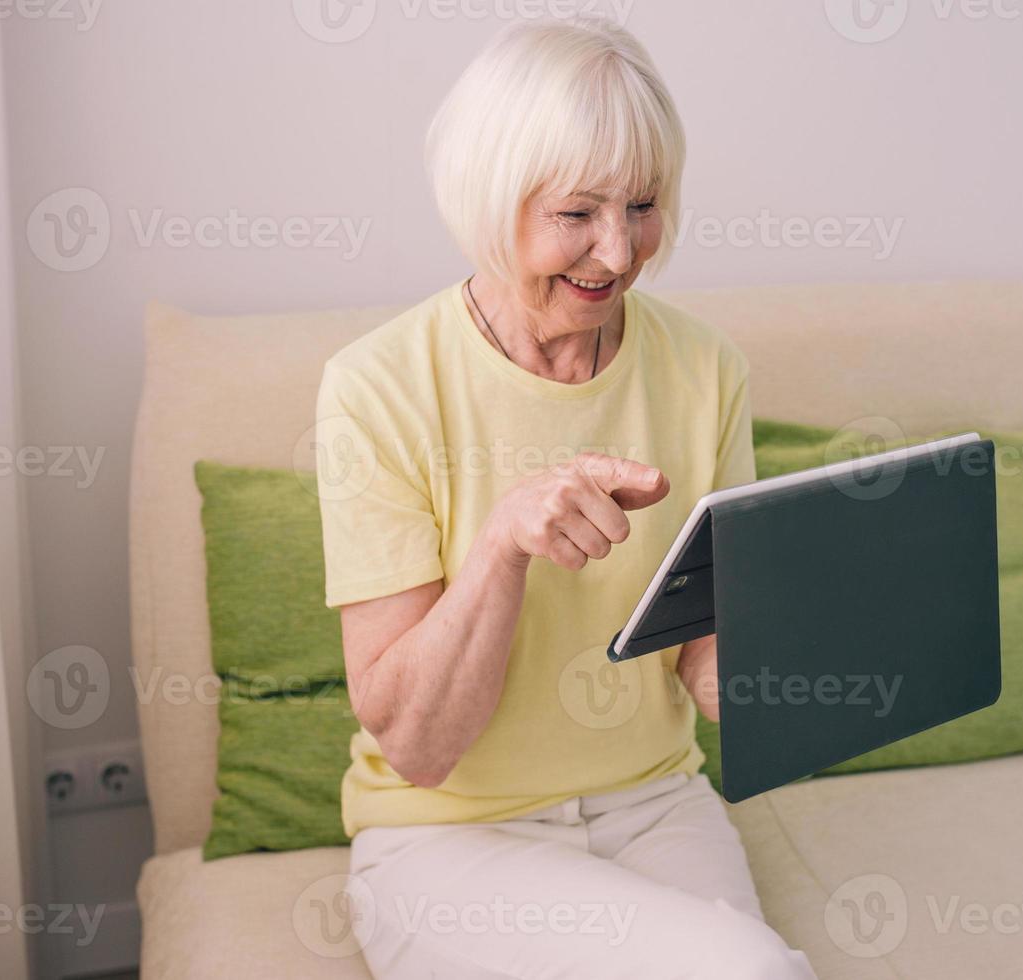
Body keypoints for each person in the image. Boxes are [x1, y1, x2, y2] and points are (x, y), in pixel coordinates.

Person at [312, 15, 818, 980]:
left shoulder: (705, 368)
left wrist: (815, 651)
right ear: (489, 199)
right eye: (577, 213)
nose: (618, 255)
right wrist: (502, 545)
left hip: (654, 803)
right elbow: (417, 748)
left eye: (642, 206)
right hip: (447, 838)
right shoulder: (376, 386)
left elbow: (708, 679)